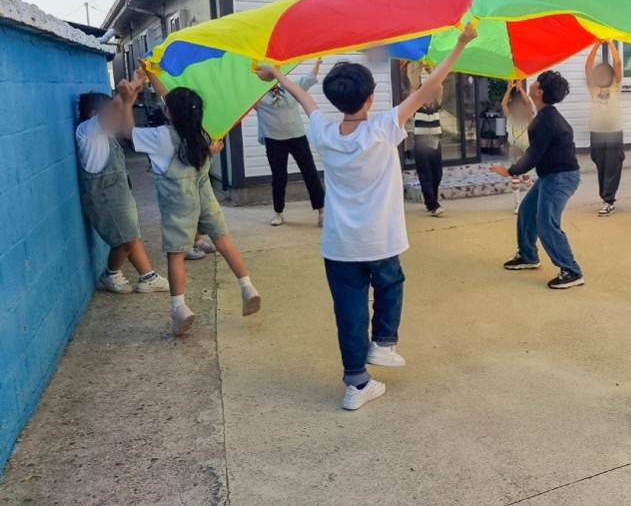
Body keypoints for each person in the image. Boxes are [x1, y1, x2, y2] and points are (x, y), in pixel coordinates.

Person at [259, 25, 477, 410]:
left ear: (334, 99)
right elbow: (428, 89)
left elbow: (303, 97)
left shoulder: (324, 132)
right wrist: (460, 44)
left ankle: (356, 382)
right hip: (380, 240)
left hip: (339, 245)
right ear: (371, 97)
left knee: (349, 311)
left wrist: (276, 72)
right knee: (391, 284)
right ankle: (384, 343)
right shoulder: (382, 128)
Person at [124, 72, 261, 336]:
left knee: (176, 253)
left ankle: (180, 308)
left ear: (169, 113)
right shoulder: (202, 131)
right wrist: (151, 73)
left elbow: (127, 133)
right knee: (223, 241)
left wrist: (129, 99)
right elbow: (172, 102)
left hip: (179, 202)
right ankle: (247, 287)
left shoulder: (161, 136)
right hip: (205, 196)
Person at [75, 74, 169, 294]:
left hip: (117, 195)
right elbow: (118, 105)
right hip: (104, 199)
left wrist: (134, 90)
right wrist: (129, 88)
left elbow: (123, 104)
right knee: (125, 241)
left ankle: (148, 276)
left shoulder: (103, 133)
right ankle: (111, 273)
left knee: (131, 235)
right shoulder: (88, 132)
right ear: (95, 115)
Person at [493, 71, 584, 289]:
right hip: (551, 175)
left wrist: (510, 171)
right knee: (527, 211)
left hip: (561, 177)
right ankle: (528, 256)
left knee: (546, 222)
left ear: (539, 91)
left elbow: (533, 155)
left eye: (535, 82)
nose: (532, 83)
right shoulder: (545, 115)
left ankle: (571, 271)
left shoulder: (547, 120)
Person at [255, 58, 326, 227]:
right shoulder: (256, 98)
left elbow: (310, 77)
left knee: (310, 172)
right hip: (274, 140)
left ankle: (322, 212)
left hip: (297, 137)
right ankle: (278, 212)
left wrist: (317, 61)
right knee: (279, 177)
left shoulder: (290, 88)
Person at [586, 40, 624, 216]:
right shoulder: (593, 88)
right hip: (597, 131)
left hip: (613, 131)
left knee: (612, 164)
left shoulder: (615, 87)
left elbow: (618, 64)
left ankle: (609, 200)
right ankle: (605, 197)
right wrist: (596, 44)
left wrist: (610, 43)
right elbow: (588, 66)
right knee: (600, 163)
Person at [411, 65, 445, 217]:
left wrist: (432, 72)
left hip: (435, 142)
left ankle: (432, 201)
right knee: (425, 174)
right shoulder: (416, 107)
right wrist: (417, 71)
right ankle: (432, 205)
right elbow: (413, 89)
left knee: (437, 173)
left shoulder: (435, 106)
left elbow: (440, 87)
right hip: (421, 143)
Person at [500, 80, 534, 214]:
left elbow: (529, 104)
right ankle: (518, 204)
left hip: (526, 153)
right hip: (514, 152)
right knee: (515, 177)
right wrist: (509, 89)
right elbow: (503, 104)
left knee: (527, 179)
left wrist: (521, 88)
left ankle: (532, 200)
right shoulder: (510, 119)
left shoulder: (528, 120)